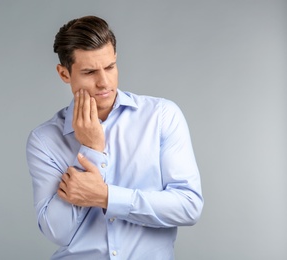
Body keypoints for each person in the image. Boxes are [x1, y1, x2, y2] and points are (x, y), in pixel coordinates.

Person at [26, 15, 203, 260]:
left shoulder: (161, 116)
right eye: (89, 72)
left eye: (110, 67)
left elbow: (188, 207)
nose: (104, 82)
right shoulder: (45, 140)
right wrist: (91, 149)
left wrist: (107, 196)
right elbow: (57, 232)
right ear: (64, 74)